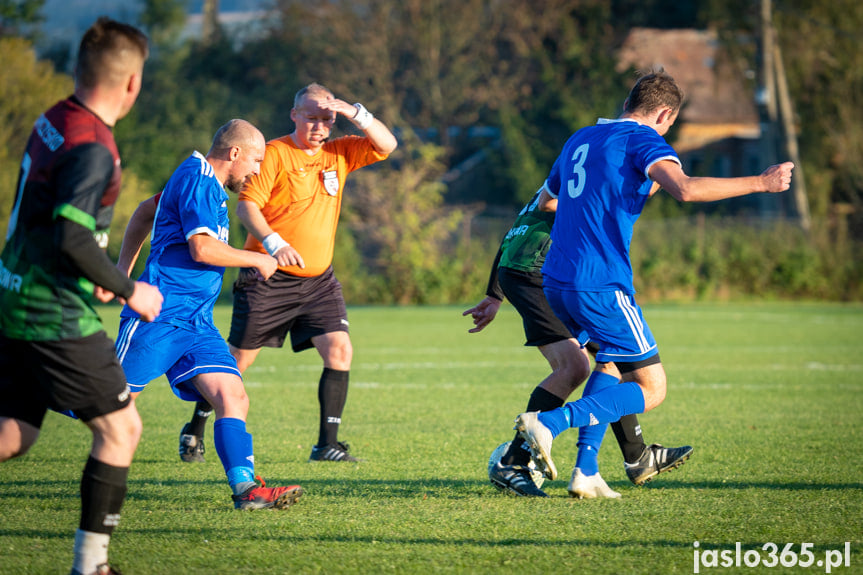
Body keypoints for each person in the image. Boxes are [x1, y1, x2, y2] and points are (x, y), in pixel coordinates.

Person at [514, 71, 794, 482]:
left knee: (609, 367)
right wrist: (761, 182)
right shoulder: (642, 140)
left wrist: (610, 198)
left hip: (557, 280)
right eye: (670, 124)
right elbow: (685, 189)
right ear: (664, 113)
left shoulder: (581, 138)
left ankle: (586, 472)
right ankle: (549, 425)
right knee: (652, 388)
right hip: (601, 282)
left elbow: (547, 199)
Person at [0, 18, 162, 575]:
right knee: (122, 428)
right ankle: (91, 566)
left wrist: (89, 262)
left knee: (13, 434)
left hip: (15, 294)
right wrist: (128, 288)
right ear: (133, 83)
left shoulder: (54, 119)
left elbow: (54, 224)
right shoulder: (95, 146)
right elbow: (71, 235)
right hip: (51, 313)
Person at [176, 82, 398, 464]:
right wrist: (275, 245)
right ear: (294, 115)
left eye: (326, 119)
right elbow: (248, 207)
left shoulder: (339, 152)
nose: (319, 126)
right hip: (267, 279)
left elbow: (387, 145)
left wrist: (354, 112)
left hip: (318, 280)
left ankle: (327, 445)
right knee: (238, 362)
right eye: (311, 117)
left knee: (339, 350)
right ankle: (196, 426)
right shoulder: (273, 153)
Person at [114, 119, 303, 510]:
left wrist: (120, 272)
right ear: (234, 153)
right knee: (104, 401)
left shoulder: (208, 186)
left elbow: (146, 211)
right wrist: (256, 258)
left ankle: (246, 490)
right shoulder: (197, 177)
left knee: (232, 395)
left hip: (197, 323)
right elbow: (201, 249)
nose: (256, 171)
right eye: (254, 160)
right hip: (160, 315)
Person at [464, 186, 691, 498]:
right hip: (539, 272)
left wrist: (494, 293)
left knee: (611, 357)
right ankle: (515, 462)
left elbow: (522, 223)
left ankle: (630, 458)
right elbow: (549, 206)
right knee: (576, 365)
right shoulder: (596, 167)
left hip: (532, 270)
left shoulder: (577, 162)